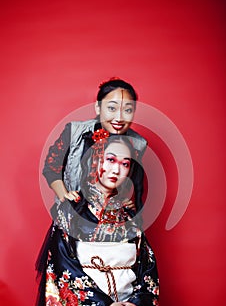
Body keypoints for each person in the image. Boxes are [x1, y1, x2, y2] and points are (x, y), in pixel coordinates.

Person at [35, 135, 159, 306]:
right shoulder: (71, 212)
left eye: (125, 164)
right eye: (110, 160)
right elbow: (61, 268)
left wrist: (137, 305)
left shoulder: (130, 219)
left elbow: (147, 272)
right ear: (95, 160)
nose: (116, 170)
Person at [42, 77, 147, 216]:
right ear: (98, 107)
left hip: (110, 219)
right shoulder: (74, 131)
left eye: (128, 110)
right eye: (111, 108)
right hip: (72, 216)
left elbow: (130, 181)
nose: (119, 118)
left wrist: (126, 200)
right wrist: (65, 197)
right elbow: (51, 168)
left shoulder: (138, 144)